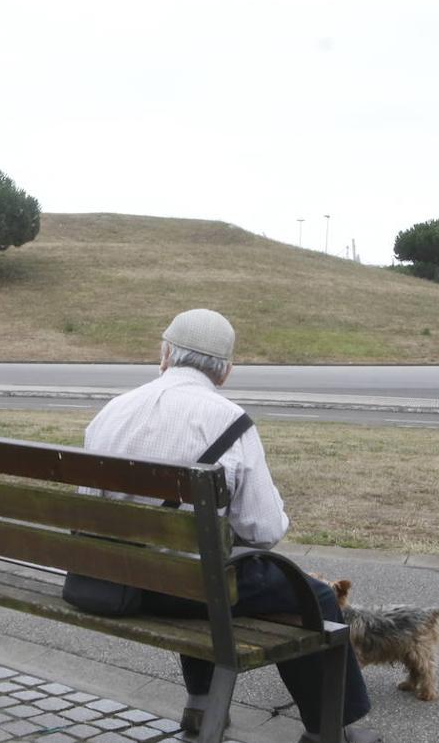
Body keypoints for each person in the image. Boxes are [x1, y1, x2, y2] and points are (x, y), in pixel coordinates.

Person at [81, 308, 379, 743]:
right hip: (188, 591)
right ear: (225, 372)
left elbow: (90, 506)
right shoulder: (230, 422)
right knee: (308, 594)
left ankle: (202, 706)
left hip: (116, 584)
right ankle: (330, 729)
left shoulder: (112, 411)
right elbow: (263, 530)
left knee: (193, 565)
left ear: (165, 355)